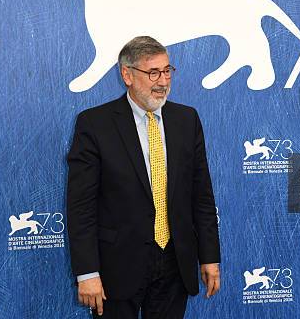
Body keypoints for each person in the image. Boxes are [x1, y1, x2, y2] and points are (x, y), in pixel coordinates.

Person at [66, 36, 221, 318]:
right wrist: (87, 272)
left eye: (166, 70)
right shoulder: (95, 125)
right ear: (127, 75)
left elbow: (202, 196)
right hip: (117, 267)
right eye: (152, 73)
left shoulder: (187, 120)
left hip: (176, 263)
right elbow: (81, 207)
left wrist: (209, 257)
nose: (162, 81)